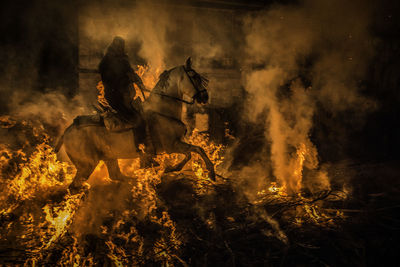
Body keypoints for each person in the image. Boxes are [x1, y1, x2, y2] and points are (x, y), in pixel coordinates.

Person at [98, 36, 155, 168]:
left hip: (125, 96)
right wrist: (125, 80)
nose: (121, 48)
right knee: (138, 121)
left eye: (122, 46)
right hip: (115, 97)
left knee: (144, 114)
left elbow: (130, 72)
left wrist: (138, 80)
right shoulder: (107, 62)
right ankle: (143, 156)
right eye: (119, 46)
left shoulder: (123, 59)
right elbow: (111, 79)